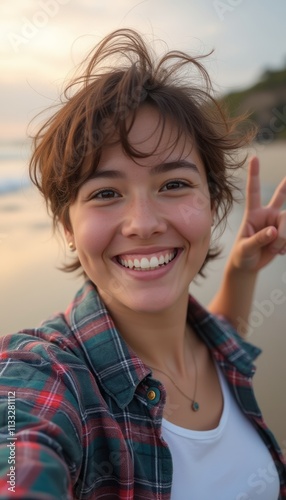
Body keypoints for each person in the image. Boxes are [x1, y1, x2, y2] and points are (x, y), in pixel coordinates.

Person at [0, 28, 285, 499]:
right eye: (106, 193)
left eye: (173, 184)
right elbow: (17, 457)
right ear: (67, 227)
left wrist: (242, 269)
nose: (143, 223)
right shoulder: (41, 375)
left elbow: (217, 332)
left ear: (212, 203)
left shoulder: (212, 349)